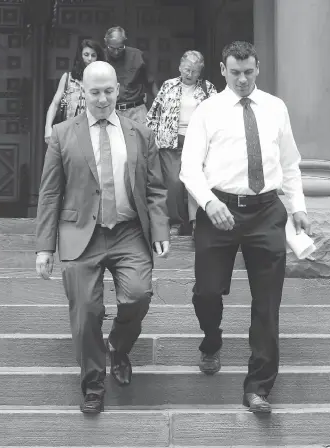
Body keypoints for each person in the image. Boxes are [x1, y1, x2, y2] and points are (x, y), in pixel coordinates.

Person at [180, 41, 311, 413]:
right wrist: (208, 202)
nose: (242, 79)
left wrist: (297, 206)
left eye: (248, 72)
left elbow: (290, 163)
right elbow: (189, 167)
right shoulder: (207, 110)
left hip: (267, 211)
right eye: (235, 72)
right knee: (206, 292)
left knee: (267, 305)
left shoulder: (275, 108)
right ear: (222, 70)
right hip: (218, 208)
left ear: (258, 69)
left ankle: (258, 388)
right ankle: (211, 340)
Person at [35, 61, 170, 414]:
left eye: (109, 91)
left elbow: (155, 188)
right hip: (81, 233)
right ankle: (93, 383)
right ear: (83, 91)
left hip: (128, 232)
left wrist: (159, 229)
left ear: (117, 89)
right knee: (87, 312)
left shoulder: (139, 133)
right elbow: (50, 194)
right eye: (94, 92)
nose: (102, 99)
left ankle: (119, 347)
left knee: (138, 296)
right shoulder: (64, 134)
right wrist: (44, 247)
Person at [146, 50, 217, 236]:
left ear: (200, 72)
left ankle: (196, 223)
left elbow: (217, 115)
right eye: (187, 69)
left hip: (197, 142)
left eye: (194, 71)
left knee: (197, 180)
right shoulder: (168, 86)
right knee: (174, 182)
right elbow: (153, 114)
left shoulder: (207, 89)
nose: (190, 74)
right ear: (180, 67)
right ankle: (176, 222)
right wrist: (150, 138)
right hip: (170, 141)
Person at [44, 39, 105, 144]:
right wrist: (47, 128)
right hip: (69, 133)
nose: (89, 59)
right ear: (80, 56)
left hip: (93, 135)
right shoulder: (68, 78)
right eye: (86, 54)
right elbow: (55, 104)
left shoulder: (102, 80)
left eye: (93, 55)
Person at [104, 26, 159, 125]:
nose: (116, 52)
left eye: (120, 48)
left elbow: (150, 82)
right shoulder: (100, 57)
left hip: (137, 111)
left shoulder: (137, 55)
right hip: (110, 111)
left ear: (125, 42)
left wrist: (160, 106)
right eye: (112, 48)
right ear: (106, 42)